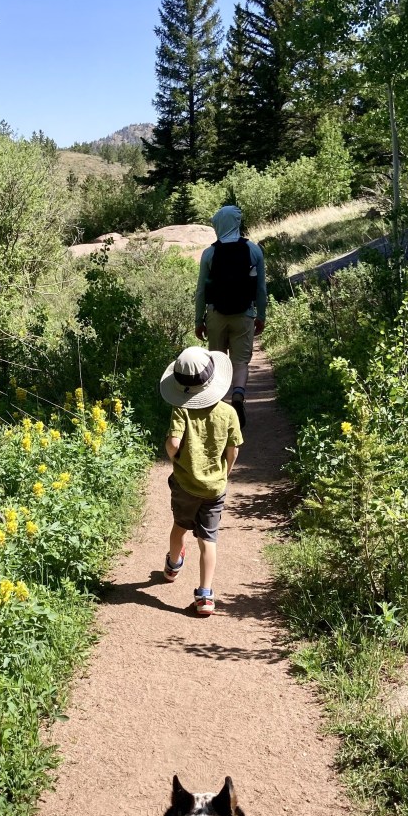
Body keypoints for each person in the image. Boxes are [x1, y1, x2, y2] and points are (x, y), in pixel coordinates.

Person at [159, 345, 243, 617]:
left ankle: (173, 565)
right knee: (208, 539)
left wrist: (176, 457)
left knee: (179, 527)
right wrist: (226, 471)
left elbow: (173, 443)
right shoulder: (228, 413)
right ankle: (205, 595)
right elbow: (234, 450)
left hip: (185, 484)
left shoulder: (181, 410)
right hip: (215, 488)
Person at [194, 205, 266, 429]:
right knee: (241, 361)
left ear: (218, 224)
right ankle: (238, 395)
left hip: (216, 314)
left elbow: (201, 291)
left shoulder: (210, 253)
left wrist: (199, 320)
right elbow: (261, 289)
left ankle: (217, 405)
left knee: (217, 359)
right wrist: (261, 315)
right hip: (244, 313)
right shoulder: (253, 250)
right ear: (236, 222)